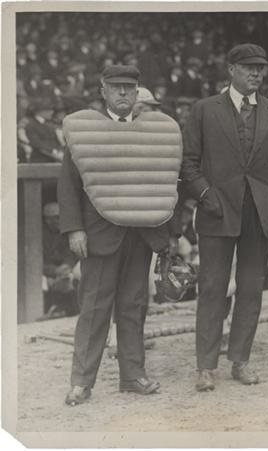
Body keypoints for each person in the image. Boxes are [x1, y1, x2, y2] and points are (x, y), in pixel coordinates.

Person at [59, 65, 182, 406]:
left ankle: (132, 375)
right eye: (116, 88)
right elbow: (68, 185)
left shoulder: (153, 135)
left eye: (129, 87)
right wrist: (74, 229)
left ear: (137, 91)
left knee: (134, 306)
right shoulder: (85, 133)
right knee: (94, 308)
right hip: (99, 235)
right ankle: (81, 382)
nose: (124, 93)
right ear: (104, 91)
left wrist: (169, 233)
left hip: (141, 234)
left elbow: (167, 181)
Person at [181, 43, 268, 391]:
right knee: (212, 288)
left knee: (251, 288)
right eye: (249, 67)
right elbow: (189, 162)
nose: (256, 73)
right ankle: (205, 367)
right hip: (216, 211)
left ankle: (240, 360)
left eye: (261, 68)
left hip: (258, 213)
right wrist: (205, 194)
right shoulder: (204, 110)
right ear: (230, 69)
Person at [41, 202, 80, 318]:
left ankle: (68, 311)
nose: (60, 220)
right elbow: (33, 262)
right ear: (48, 220)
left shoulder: (63, 232)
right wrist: (54, 271)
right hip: (44, 273)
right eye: (57, 218)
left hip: (62, 271)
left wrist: (66, 266)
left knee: (75, 278)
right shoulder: (38, 234)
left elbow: (69, 253)